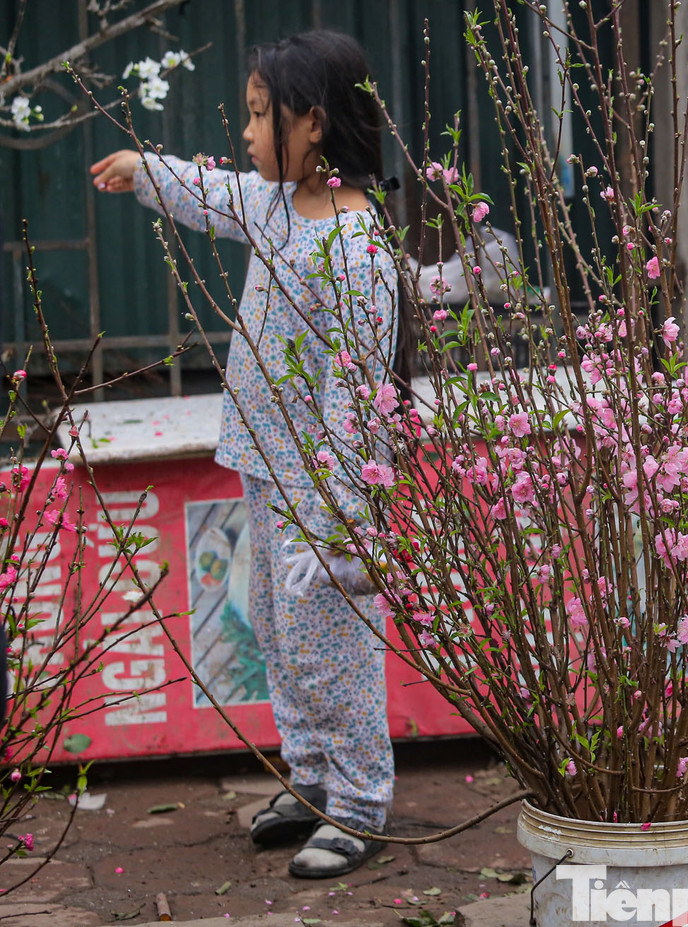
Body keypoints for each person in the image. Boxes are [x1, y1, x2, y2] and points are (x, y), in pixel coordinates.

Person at [90, 30, 398, 879]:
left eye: (263, 116)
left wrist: (342, 523)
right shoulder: (274, 204)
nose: (251, 134)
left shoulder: (357, 248)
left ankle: (359, 802)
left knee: (332, 643)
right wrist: (146, 172)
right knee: (275, 628)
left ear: (314, 124)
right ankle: (311, 778)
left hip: (322, 488)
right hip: (265, 464)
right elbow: (214, 192)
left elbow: (357, 392)